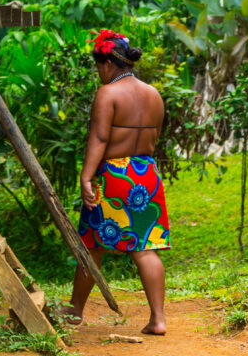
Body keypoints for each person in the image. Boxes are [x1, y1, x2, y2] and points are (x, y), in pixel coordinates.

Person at [63, 29, 169, 335]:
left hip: (116, 174)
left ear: (108, 63)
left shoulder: (108, 93)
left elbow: (99, 137)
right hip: (147, 173)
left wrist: (86, 177)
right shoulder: (154, 94)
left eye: (99, 66)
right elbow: (153, 138)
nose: (99, 73)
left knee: (91, 245)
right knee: (146, 249)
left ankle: (75, 311)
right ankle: (158, 319)